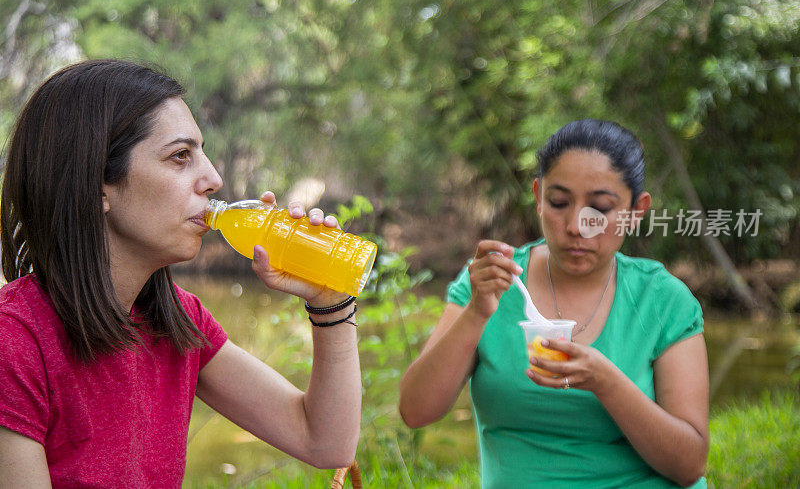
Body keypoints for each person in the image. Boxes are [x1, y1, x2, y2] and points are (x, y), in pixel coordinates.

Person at [0, 60, 361, 487]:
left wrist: (329, 301)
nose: (212, 178)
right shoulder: (15, 343)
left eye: (202, 153)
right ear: (97, 185)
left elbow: (325, 442)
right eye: (180, 157)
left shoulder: (175, 322)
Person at [399, 119, 709, 488]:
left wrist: (605, 381)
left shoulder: (661, 299)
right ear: (537, 197)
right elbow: (415, 411)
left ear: (635, 211)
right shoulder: (491, 282)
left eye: (601, 209)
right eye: (559, 202)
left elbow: (689, 465)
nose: (577, 226)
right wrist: (477, 313)